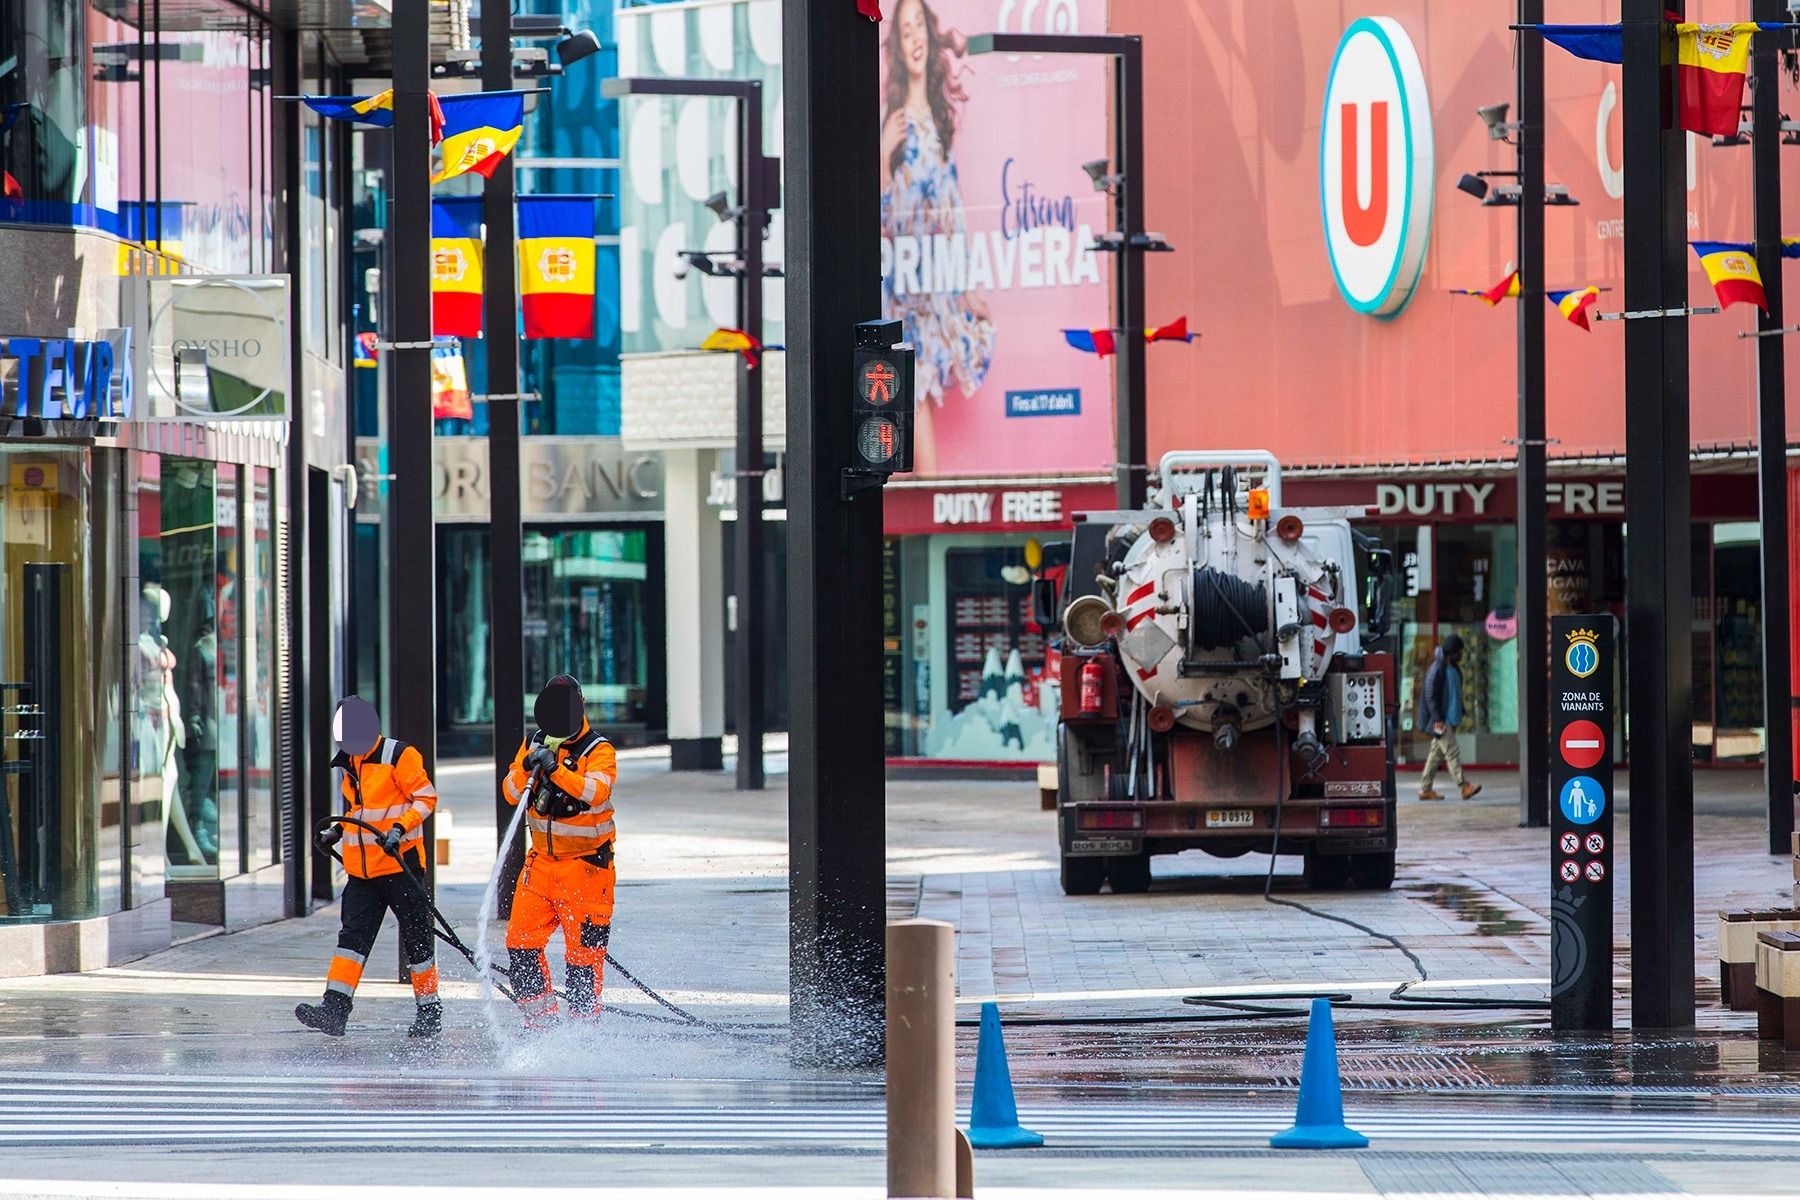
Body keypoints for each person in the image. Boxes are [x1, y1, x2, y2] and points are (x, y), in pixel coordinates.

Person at [880, 0, 996, 475]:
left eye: (918, 28)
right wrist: (883, 154)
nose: (914, 39)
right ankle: (929, 498)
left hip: (936, 279)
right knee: (916, 387)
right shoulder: (894, 123)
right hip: (904, 281)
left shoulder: (939, 119)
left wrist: (965, 282)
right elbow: (881, 212)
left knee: (922, 387)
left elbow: (952, 208)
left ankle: (929, 498)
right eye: (904, 30)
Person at [295, 697, 443, 1038]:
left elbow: (425, 798)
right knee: (351, 940)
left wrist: (399, 829)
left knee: (417, 939)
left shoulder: (399, 755)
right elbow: (360, 812)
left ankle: (429, 1010)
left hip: (401, 866)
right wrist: (336, 831)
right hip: (362, 874)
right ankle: (334, 1010)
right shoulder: (350, 762)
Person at [502, 675, 618, 1028]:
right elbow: (510, 792)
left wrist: (556, 770)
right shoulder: (533, 743)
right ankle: (541, 1027)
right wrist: (526, 767)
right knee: (520, 945)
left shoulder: (599, 750)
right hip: (540, 868)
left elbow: (594, 792)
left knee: (583, 959)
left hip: (586, 871)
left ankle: (584, 1034)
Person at [1418, 634, 1482, 801]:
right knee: (1452, 752)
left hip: (1451, 718)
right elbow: (1430, 695)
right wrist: (1438, 718)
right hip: (1441, 720)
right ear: (1452, 652)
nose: (1461, 655)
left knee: (1436, 754)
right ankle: (1464, 786)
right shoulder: (1436, 669)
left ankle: (1425, 789)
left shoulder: (1453, 668)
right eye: (1459, 651)